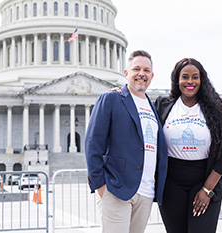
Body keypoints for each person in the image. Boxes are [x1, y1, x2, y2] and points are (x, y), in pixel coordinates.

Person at [85, 50, 168, 233]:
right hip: (116, 189)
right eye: (136, 69)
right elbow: (93, 143)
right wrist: (100, 185)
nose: (141, 74)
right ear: (126, 73)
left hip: (146, 191)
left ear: (152, 76)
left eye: (146, 70)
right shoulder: (111, 98)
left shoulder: (152, 106)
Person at [154, 58, 222, 233]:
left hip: (204, 180)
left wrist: (207, 189)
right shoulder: (162, 106)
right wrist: (119, 93)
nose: (190, 81)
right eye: (185, 77)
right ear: (177, 80)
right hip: (171, 184)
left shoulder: (216, 110)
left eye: (195, 77)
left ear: (201, 80)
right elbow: (138, 109)